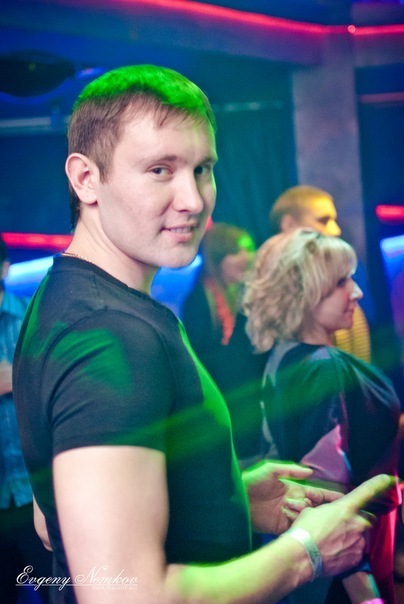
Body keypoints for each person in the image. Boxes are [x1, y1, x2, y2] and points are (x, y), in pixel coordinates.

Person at [12, 64, 394, 604]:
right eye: (160, 170)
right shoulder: (110, 337)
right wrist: (307, 551)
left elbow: (57, 521)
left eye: (203, 169)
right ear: (85, 178)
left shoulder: (64, 298)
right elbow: (125, 596)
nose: (194, 199)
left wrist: (224, 494)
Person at [243, 228, 401, 604]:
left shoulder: (285, 355)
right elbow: (323, 490)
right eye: (341, 282)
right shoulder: (322, 366)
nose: (357, 292)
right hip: (345, 560)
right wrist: (364, 591)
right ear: (305, 293)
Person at [182, 222, 266, 462]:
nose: (247, 257)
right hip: (224, 405)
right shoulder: (199, 300)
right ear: (218, 258)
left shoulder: (248, 295)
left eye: (249, 248)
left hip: (251, 402)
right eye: (236, 251)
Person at [0, 233, 52, 603]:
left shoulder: (34, 317)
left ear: (4, 268)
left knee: (58, 589)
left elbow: (69, 386)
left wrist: (18, 376)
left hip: (36, 490)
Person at [269, 184, 373, 363]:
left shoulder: (347, 264)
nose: (336, 230)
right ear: (289, 225)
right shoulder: (271, 284)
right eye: (324, 221)